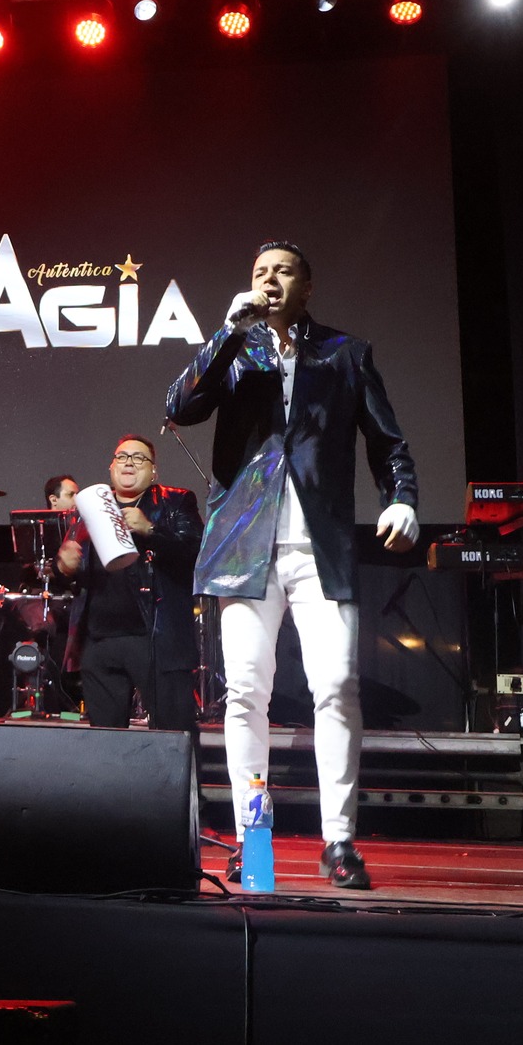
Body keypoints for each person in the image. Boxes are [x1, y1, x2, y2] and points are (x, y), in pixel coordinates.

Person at [165, 240, 418, 890]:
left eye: (282, 270)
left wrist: (403, 501)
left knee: (336, 683)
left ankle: (339, 841)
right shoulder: (235, 350)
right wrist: (227, 330)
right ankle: (254, 837)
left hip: (320, 547)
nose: (269, 279)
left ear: (307, 284)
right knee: (245, 690)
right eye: (258, 271)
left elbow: (389, 443)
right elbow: (179, 406)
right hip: (246, 547)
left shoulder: (346, 353)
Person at [55, 435, 201, 732]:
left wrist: (151, 529)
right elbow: (70, 573)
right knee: (106, 740)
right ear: (111, 467)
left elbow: (197, 552)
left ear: (153, 471)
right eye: (122, 457)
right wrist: (63, 567)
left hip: (155, 637)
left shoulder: (175, 501)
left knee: (174, 734)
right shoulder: (89, 507)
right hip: (100, 639)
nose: (129, 463)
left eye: (138, 457)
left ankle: (180, 782)